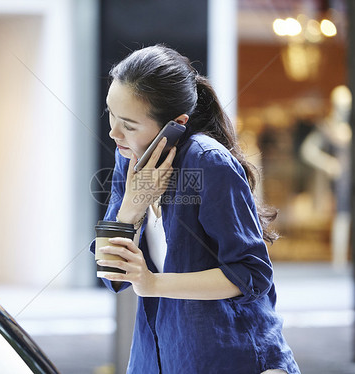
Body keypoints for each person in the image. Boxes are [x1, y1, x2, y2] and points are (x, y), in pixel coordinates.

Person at [90, 45, 300, 374]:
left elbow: (252, 274)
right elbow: (112, 275)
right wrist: (131, 208)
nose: (113, 132)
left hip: (230, 357)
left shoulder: (207, 161)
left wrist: (153, 284)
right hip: (158, 356)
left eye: (129, 125)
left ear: (177, 123)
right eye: (111, 115)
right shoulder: (127, 157)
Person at [299, 85, 352, 268]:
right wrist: (327, 163)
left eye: (346, 106)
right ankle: (338, 261)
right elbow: (307, 150)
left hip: (352, 179)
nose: (343, 110)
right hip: (338, 182)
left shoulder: (351, 129)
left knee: (351, 218)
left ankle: (348, 259)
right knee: (341, 218)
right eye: (340, 105)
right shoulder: (327, 128)